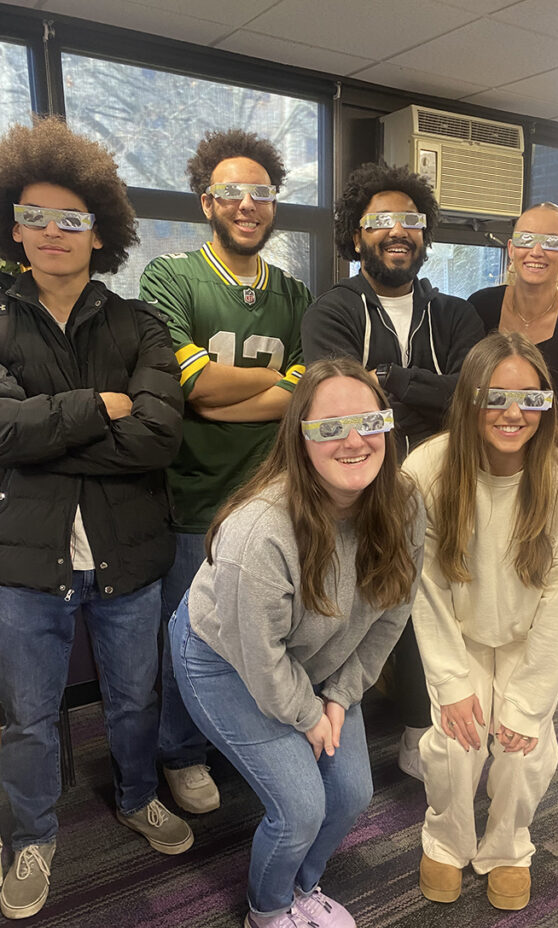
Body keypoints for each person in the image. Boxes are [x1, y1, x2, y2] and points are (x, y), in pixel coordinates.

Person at [168, 358, 425, 928]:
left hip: (318, 659)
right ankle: (268, 908)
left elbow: (392, 614)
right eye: (330, 426)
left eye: (369, 421)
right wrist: (309, 715)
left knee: (353, 793)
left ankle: (303, 887)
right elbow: (258, 656)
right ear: (299, 435)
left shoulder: (404, 504)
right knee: (301, 805)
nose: (354, 440)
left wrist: (340, 695)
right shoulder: (261, 531)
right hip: (225, 660)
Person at [0, 117, 189, 920]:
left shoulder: (140, 323)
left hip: (127, 552)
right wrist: (97, 406)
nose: (53, 232)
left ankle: (139, 794)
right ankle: (30, 838)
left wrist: (44, 436)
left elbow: (157, 436)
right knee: (27, 715)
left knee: (135, 701)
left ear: (100, 231)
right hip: (25, 561)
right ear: (14, 226)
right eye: (37, 216)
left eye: (72, 219)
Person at [404, 332, 558, 910]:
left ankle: (507, 848)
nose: (514, 414)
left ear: (550, 404)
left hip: (527, 641)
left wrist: (528, 700)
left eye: (531, 400)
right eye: (496, 398)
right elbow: (427, 588)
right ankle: (446, 840)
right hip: (459, 634)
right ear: (469, 398)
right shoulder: (429, 467)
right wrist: (450, 681)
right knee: (455, 742)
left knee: (523, 748)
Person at [139, 130, 311, 815]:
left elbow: (299, 396)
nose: (248, 204)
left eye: (262, 192)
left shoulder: (296, 295)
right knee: (189, 636)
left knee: (268, 632)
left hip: (273, 500)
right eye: (232, 192)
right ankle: (182, 754)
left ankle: (248, 740)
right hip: (193, 502)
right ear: (206, 202)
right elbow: (192, 388)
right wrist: (268, 384)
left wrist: (221, 389)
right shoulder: (170, 277)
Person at [302, 162, 484, 779]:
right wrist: (424, 396)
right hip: (357, 494)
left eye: (410, 220)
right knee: (352, 609)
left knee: (432, 608)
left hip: (442, 488)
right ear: (356, 237)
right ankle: (323, 722)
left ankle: (416, 728)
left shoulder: (457, 314)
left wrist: (388, 380)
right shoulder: (331, 311)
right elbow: (339, 404)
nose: (397, 231)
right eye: (380, 221)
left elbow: (473, 395)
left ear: (425, 236)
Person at [468, 202, 558, 444]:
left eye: (552, 242)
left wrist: (549, 455)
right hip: (483, 448)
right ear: (511, 249)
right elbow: (465, 392)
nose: (536, 250)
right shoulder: (480, 306)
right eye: (526, 239)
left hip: (549, 451)